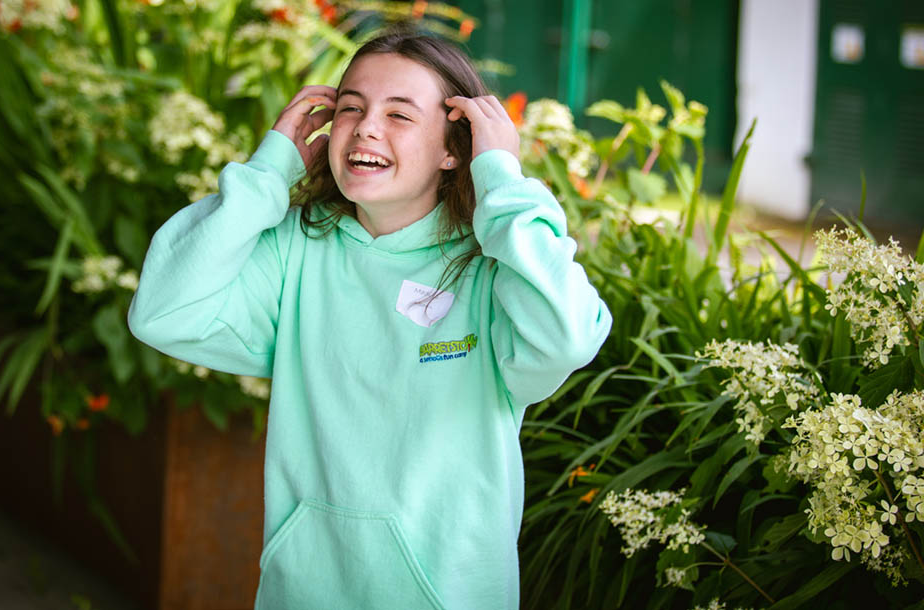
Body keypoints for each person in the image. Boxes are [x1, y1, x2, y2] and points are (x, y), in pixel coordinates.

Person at [128, 32, 612, 610]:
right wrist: (265, 176)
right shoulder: (295, 252)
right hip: (301, 591)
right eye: (351, 107)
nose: (365, 128)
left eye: (399, 114)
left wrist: (502, 180)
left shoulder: (492, 271)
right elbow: (162, 312)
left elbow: (569, 336)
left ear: (455, 148)